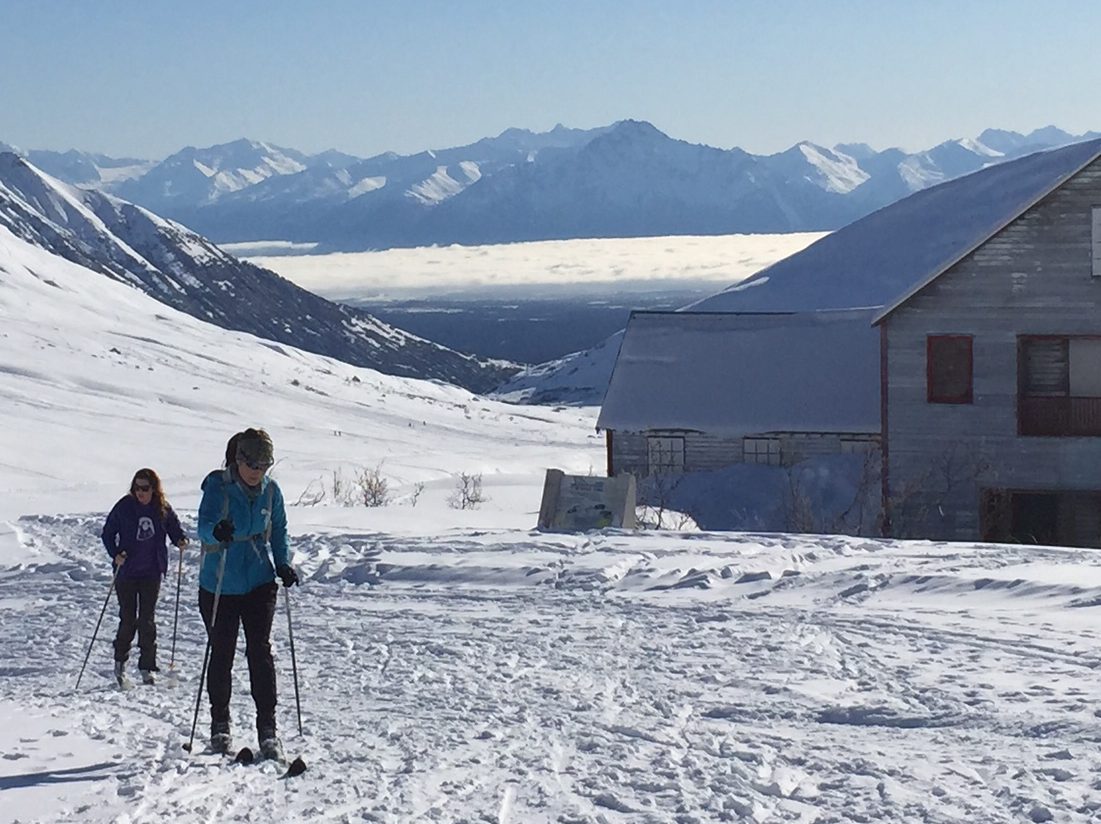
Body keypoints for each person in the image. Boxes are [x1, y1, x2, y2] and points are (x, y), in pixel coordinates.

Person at [196, 427, 298, 759]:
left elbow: (279, 530)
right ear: (239, 460)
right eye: (252, 464)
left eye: (264, 465)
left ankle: (268, 730)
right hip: (220, 583)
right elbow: (203, 523)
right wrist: (216, 530)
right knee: (222, 652)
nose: (257, 472)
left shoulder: (271, 491)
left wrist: (282, 563)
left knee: (260, 652)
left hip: (258, 580)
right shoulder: (218, 487)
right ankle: (220, 725)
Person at [101, 468, 188, 687]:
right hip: (127, 572)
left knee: (147, 620)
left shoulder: (162, 508)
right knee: (128, 619)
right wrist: (115, 554)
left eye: (145, 488)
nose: (140, 493)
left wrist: (180, 540)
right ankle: (120, 661)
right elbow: (107, 533)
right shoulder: (124, 506)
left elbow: (175, 529)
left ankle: (147, 666)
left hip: (151, 572)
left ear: (154, 489)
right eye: (136, 488)